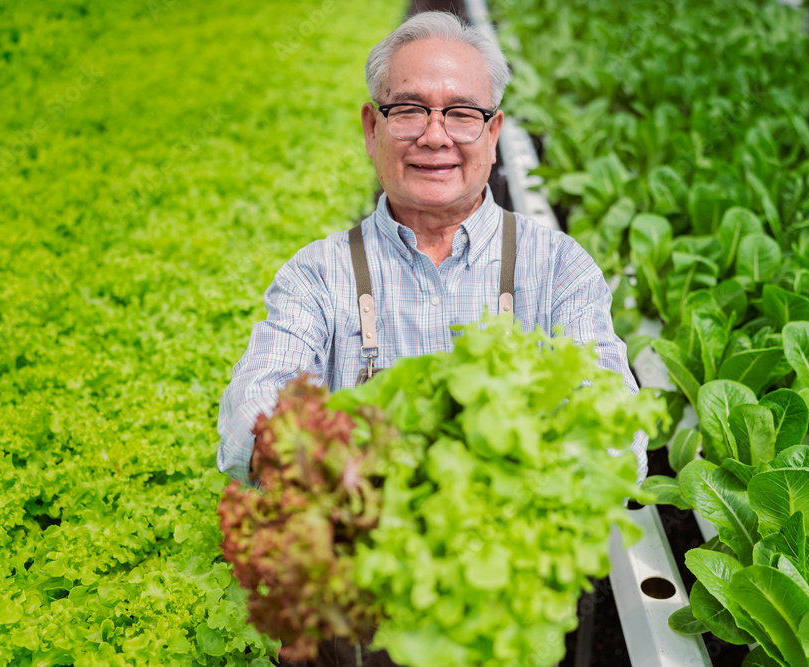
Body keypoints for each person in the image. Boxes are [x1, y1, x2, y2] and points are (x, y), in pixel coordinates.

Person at [216, 10, 647, 666]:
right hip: (361, 622)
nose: (435, 136)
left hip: (510, 612)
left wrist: (490, 486)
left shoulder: (559, 269)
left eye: (462, 113)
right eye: (409, 109)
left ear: (494, 132)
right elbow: (247, 422)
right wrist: (377, 480)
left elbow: (620, 440)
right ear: (372, 127)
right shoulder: (319, 274)